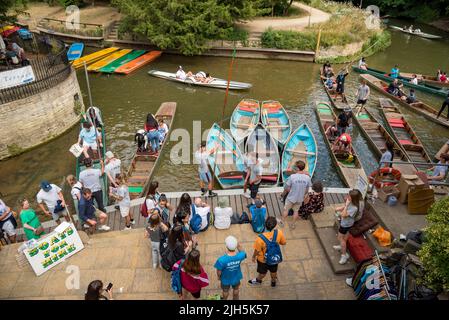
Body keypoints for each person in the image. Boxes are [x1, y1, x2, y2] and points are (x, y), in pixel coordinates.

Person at [248, 216, 286, 287]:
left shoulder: (260, 238)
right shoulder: (279, 233)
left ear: (265, 225)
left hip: (263, 260)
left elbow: (257, 251)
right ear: (275, 226)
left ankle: (258, 280)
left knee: (262, 272)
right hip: (274, 257)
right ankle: (273, 281)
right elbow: (284, 243)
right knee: (273, 271)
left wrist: (253, 257)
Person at [333, 189, 364, 265]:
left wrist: (346, 205)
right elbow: (344, 207)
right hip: (348, 223)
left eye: (349, 196)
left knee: (340, 238)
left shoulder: (355, 208)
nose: (347, 197)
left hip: (345, 224)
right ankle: (342, 246)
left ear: (353, 198)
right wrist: (339, 208)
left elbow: (343, 214)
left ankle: (344, 255)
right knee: (345, 237)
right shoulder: (351, 202)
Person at [280, 160, 312, 229]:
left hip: (291, 197)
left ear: (297, 168)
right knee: (296, 211)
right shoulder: (307, 178)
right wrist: (304, 195)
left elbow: (286, 188)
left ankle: (282, 222)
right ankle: (293, 224)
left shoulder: (292, 177)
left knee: (286, 210)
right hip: (300, 198)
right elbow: (307, 189)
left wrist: (283, 194)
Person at [214, 236, 247, 300]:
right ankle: (235, 298)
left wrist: (219, 277)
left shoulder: (221, 260)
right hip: (236, 277)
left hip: (225, 279)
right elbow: (243, 252)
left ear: (226, 246)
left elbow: (219, 271)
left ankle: (225, 299)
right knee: (236, 289)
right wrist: (238, 245)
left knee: (225, 291)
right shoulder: (240, 256)